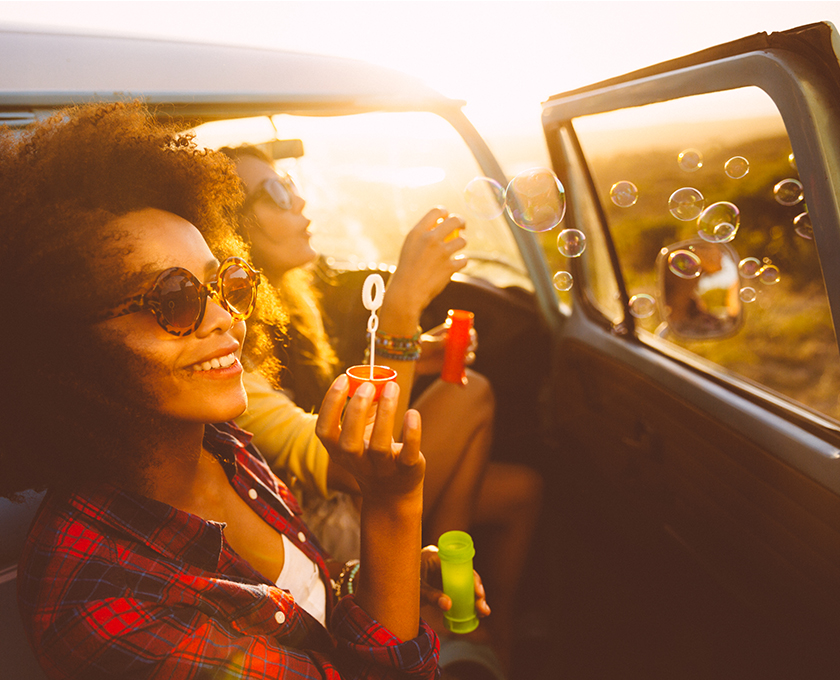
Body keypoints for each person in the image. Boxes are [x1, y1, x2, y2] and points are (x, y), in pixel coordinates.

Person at [2, 101, 489, 680]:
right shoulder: (107, 606)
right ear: (63, 347)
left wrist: (393, 573)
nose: (226, 320)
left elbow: (314, 595)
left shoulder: (224, 447)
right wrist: (391, 511)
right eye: (174, 300)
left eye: (225, 285)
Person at [220, 144, 543, 667]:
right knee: (474, 392)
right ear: (230, 227)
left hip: (342, 497)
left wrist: (413, 349)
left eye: (291, 184)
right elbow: (349, 464)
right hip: (322, 520)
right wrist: (400, 312)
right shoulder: (225, 349)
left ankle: (482, 620)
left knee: (522, 491)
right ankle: (438, 610)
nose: (299, 201)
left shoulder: (290, 304)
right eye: (276, 193)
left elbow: (328, 401)